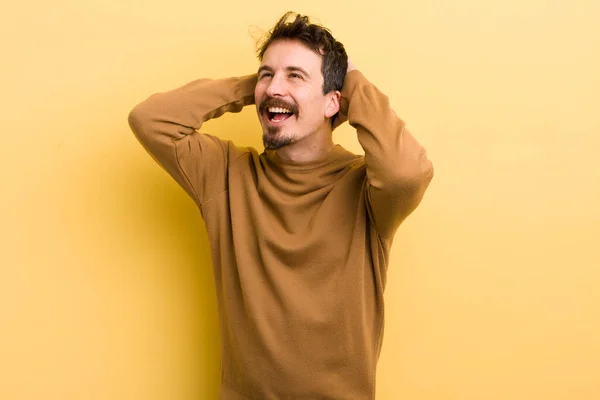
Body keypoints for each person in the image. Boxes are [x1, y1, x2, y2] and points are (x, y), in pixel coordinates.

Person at [128, 11, 434, 400]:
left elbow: (407, 173)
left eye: (295, 75)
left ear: (332, 104)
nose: (275, 87)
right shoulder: (225, 175)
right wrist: (258, 88)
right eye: (267, 73)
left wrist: (353, 83)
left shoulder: (367, 190)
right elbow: (150, 120)